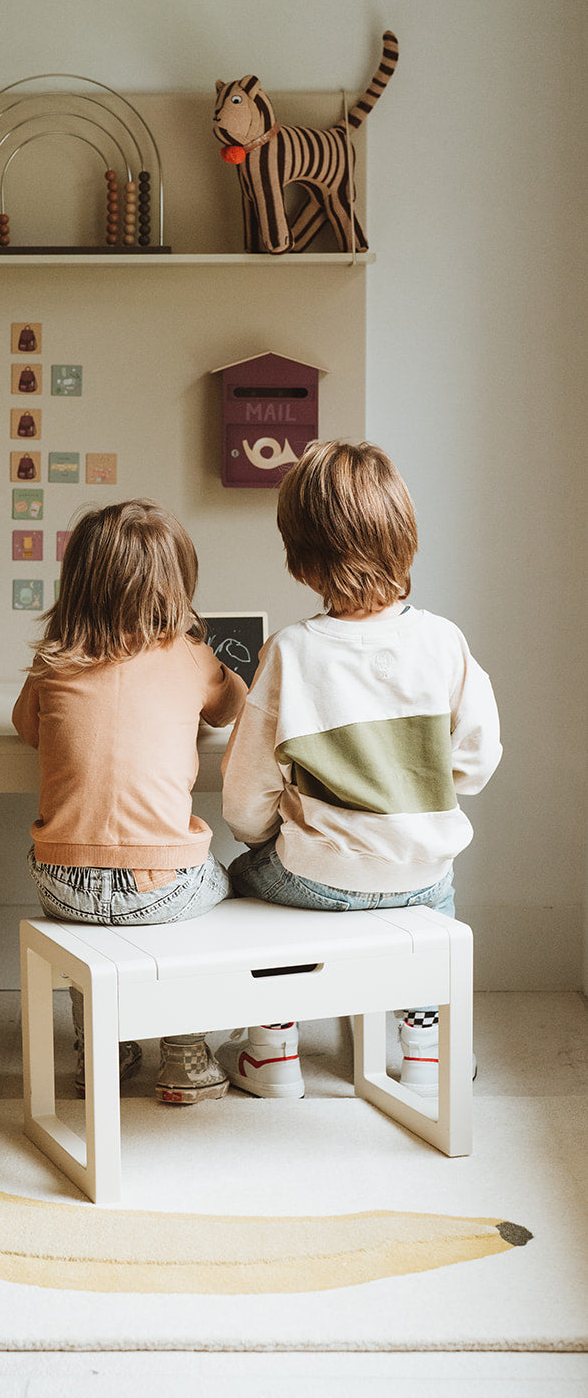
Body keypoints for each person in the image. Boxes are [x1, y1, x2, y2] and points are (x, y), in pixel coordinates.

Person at [221, 439, 502, 1099]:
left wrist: (261, 832)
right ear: (403, 535)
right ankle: (426, 1049)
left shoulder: (292, 651)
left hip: (316, 876)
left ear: (299, 556)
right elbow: (478, 759)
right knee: (432, 900)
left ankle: (271, 1051)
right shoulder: (442, 641)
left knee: (247, 884)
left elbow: (245, 787)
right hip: (421, 877)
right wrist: (415, 790)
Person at [12, 498, 248, 1104]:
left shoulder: (54, 661)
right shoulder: (193, 659)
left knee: (88, 931)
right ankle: (186, 1054)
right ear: (176, 587)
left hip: (64, 882)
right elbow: (231, 709)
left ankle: (101, 1053)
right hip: (162, 887)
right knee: (220, 886)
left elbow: (27, 729)